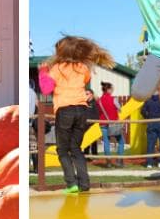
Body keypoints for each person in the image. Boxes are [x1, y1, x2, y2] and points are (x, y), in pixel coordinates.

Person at [38, 35, 115, 194]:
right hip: (81, 110)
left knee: (62, 150)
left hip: (65, 110)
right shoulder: (83, 68)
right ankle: (84, 183)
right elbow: (84, 81)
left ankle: (71, 183)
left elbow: (46, 89)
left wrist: (43, 72)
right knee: (76, 148)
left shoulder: (57, 68)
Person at [97, 81, 125, 168]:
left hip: (103, 123)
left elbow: (98, 111)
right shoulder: (114, 99)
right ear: (108, 89)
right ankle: (119, 161)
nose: (113, 90)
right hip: (113, 123)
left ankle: (108, 162)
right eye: (112, 89)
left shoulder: (99, 100)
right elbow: (120, 109)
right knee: (121, 141)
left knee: (106, 142)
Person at [142, 86, 160, 168]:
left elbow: (143, 111)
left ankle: (149, 163)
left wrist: (147, 117)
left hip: (151, 123)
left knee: (150, 144)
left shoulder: (148, 100)